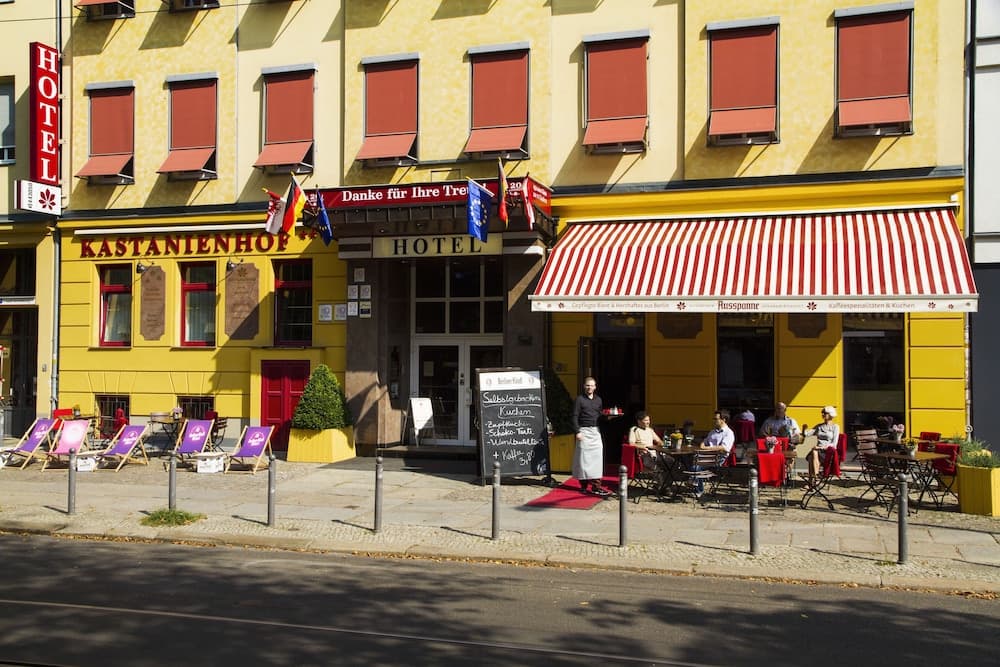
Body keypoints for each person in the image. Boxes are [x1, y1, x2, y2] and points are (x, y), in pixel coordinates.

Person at [572, 376, 610, 497]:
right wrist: (577, 431)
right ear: (584, 386)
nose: (589, 387)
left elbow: (600, 415)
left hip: (595, 431)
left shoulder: (598, 400)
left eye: (592, 385)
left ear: (595, 387)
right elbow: (574, 416)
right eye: (587, 385)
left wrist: (608, 417)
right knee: (583, 460)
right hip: (583, 431)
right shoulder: (579, 399)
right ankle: (583, 486)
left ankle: (596, 486)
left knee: (597, 459)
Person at [690, 410, 735, 496]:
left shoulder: (729, 433)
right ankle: (693, 480)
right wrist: (702, 444)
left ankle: (698, 489)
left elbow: (724, 448)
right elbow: (705, 441)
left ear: (723, 420)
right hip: (706, 456)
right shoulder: (713, 432)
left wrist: (706, 448)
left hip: (718, 458)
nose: (714, 421)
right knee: (689, 460)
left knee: (696, 466)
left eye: (716, 419)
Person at [803, 406, 840, 487]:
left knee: (812, 454)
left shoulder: (835, 427)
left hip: (828, 452)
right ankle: (815, 479)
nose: (822, 414)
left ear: (830, 414)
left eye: (825, 413)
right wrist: (804, 429)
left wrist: (820, 447)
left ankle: (812, 481)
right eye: (822, 413)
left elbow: (834, 444)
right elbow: (807, 434)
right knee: (812, 455)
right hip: (817, 451)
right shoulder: (819, 426)